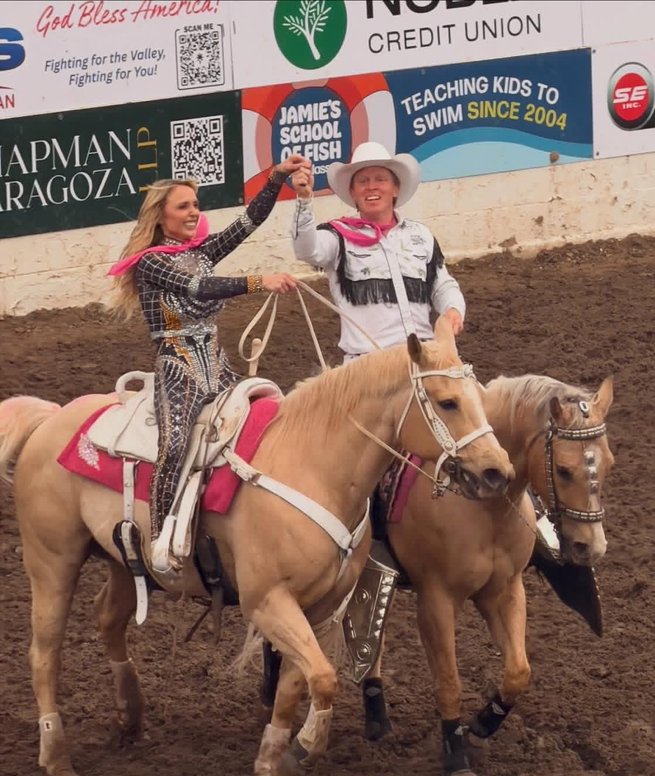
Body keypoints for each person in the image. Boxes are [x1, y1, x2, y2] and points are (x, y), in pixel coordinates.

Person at [107, 154, 309, 572]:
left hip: (216, 364)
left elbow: (248, 222)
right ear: (161, 217)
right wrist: (260, 281)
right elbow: (197, 289)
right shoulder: (151, 262)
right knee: (176, 442)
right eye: (183, 206)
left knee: (270, 417)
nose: (193, 212)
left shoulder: (200, 251)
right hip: (177, 368)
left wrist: (275, 178)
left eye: (196, 205)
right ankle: (161, 539)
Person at [290, 141, 465, 364]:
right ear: (353, 193)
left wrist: (453, 309)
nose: (371, 187)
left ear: (395, 189)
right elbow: (306, 249)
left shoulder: (421, 235)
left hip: (425, 358)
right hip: (369, 365)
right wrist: (304, 200)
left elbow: (442, 285)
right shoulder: (338, 236)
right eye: (363, 181)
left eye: (380, 179)